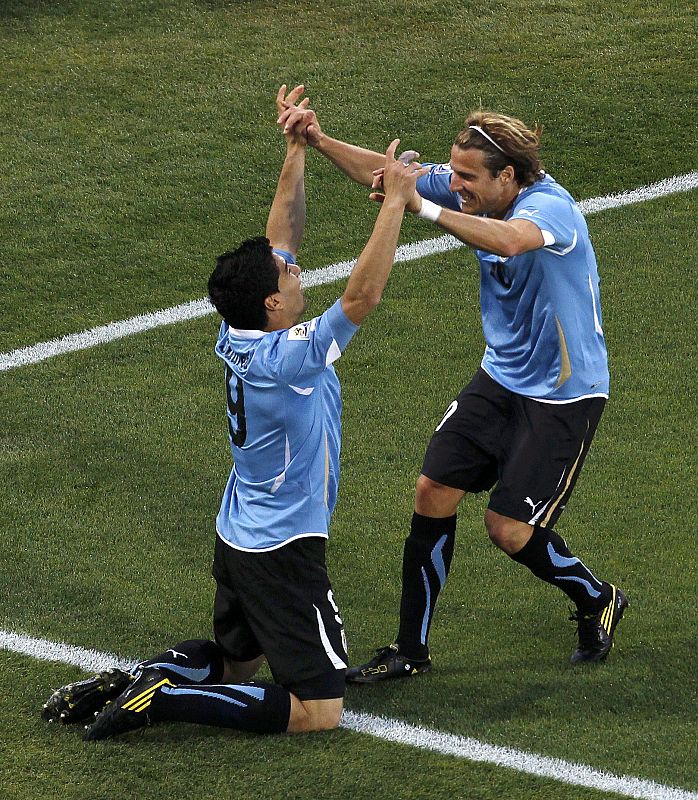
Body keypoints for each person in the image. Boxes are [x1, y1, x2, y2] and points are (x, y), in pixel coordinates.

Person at [41, 85, 428, 737]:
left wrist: (296, 148)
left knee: (238, 662)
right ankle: (162, 700)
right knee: (318, 710)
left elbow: (281, 236)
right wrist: (394, 202)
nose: (298, 272)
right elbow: (361, 299)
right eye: (289, 276)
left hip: (239, 531)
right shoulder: (288, 358)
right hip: (282, 546)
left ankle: (137, 677)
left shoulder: (240, 329)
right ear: (272, 304)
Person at [277, 95, 627, 681]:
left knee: (508, 529)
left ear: (506, 176)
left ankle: (598, 597)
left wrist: (420, 207)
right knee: (432, 490)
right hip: (500, 377)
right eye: (453, 174)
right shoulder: (477, 188)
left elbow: (508, 240)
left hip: (565, 393)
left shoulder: (551, 209)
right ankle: (410, 650)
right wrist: (318, 140)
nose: (455, 184)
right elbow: (392, 175)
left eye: (467, 178)